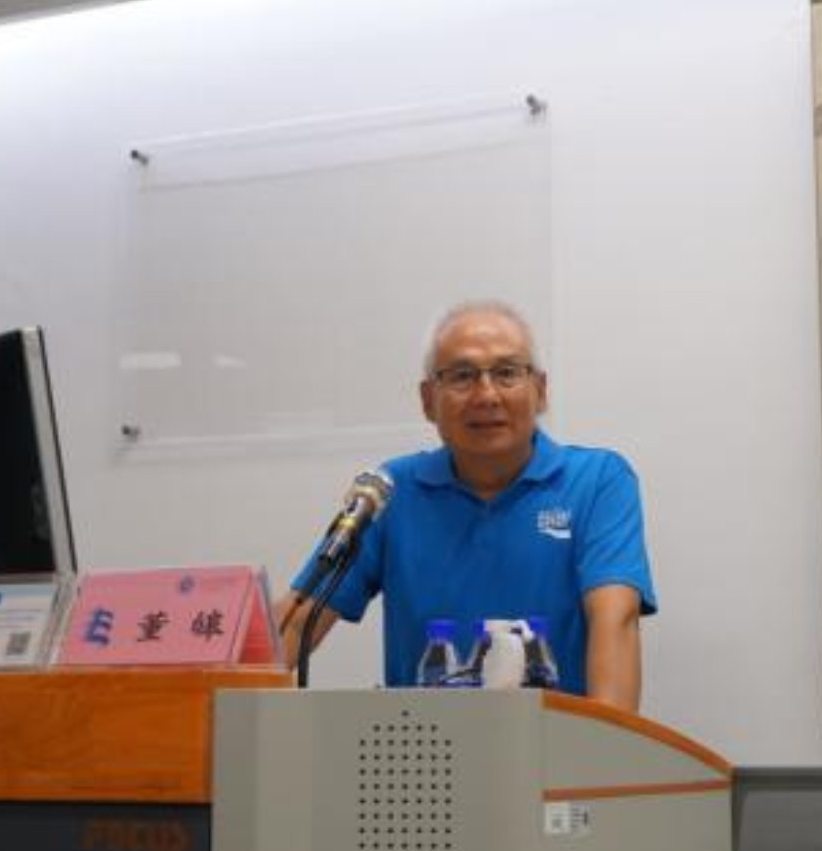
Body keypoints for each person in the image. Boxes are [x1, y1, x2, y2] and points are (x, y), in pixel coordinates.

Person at [275, 300, 656, 711]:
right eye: (462, 376)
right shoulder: (393, 491)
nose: (486, 395)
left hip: (558, 745)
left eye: (507, 373)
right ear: (428, 399)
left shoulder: (597, 481)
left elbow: (616, 621)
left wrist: (603, 747)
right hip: (419, 746)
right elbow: (294, 624)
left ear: (541, 391)